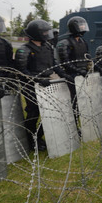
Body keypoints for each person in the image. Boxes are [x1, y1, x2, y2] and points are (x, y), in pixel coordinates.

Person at [15, 19, 66, 151]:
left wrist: (63, 74)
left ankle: (39, 136)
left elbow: (53, 63)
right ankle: (30, 139)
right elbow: (22, 72)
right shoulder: (24, 50)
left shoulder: (48, 46)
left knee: (50, 110)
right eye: (44, 32)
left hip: (47, 82)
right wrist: (36, 79)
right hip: (31, 85)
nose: (46, 34)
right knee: (34, 112)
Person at [56, 16, 91, 125]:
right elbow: (65, 62)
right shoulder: (65, 43)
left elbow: (87, 57)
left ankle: (79, 123)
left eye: (83, 25)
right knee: (73, 101)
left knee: (82, 101)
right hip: (71, 76)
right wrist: (77, 71)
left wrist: (88, 68)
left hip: (82, 75)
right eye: (80, 25)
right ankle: (73, 124)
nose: (82, 27)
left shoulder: (83, 41)